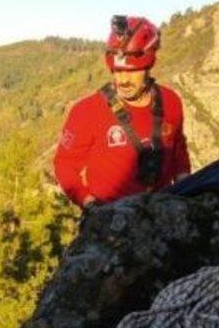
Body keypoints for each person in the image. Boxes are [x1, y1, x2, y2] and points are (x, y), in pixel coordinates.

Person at [54, 15, 190, 207]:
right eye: (117, 70)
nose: (123, 80)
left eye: (133, 71)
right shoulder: (87, 111)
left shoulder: (171, 102)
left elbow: (177, 148)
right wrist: (89, 204)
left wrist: (186, 185)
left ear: (149, 64)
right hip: (108, 218)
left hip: (159, 212)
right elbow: (65, 164)